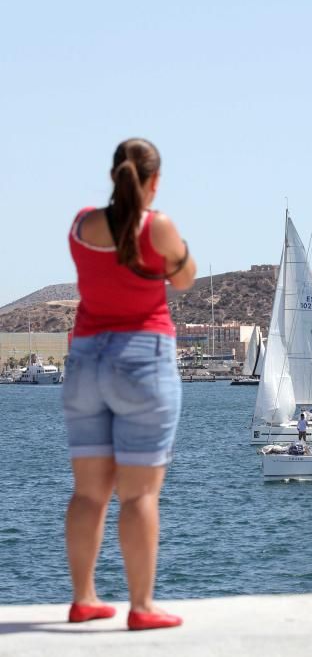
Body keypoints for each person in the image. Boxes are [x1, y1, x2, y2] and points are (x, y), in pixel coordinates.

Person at [63, 138, 196, 630]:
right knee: (139, 495)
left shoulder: (81, 224)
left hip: (84, 360)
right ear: (154, 181)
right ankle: (141, 608)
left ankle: (84, 599)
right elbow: (185, 279)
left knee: (88, 493)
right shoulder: (156, 227)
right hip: (142, 359)